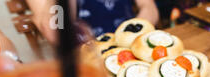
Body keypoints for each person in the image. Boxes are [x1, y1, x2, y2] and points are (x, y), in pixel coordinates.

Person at [26, 0, 159, 43]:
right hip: (86, 59)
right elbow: (54, 32)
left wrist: (134, 36)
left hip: (129, 44)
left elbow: (148, 7)